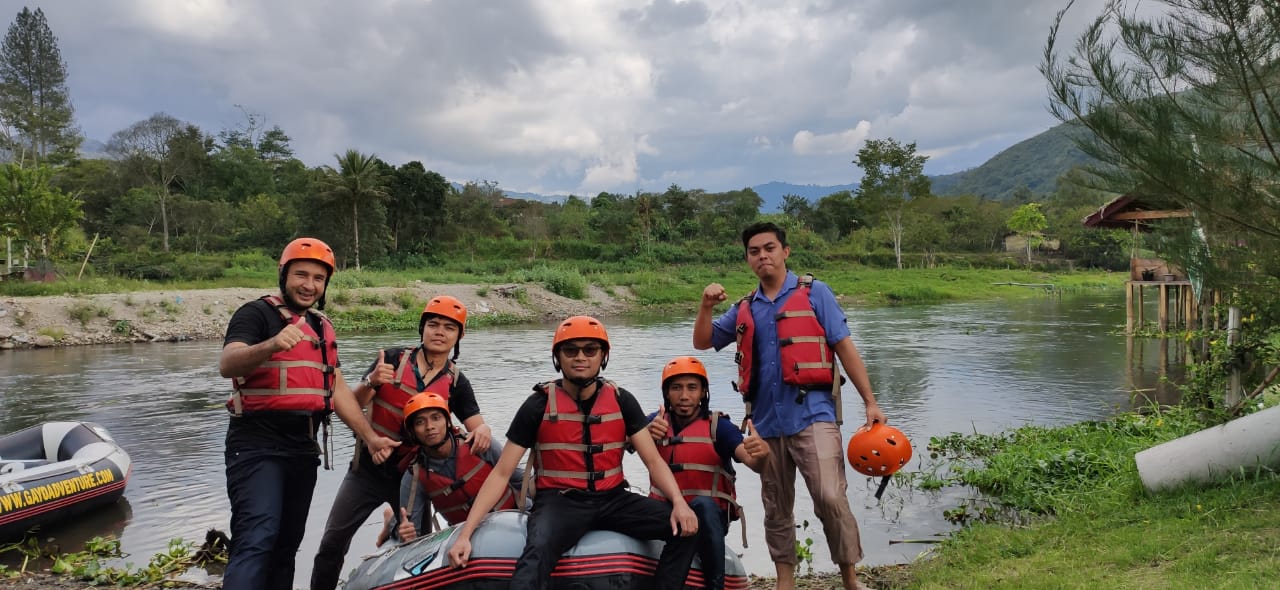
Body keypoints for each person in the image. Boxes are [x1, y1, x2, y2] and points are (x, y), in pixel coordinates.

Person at [693, 221, 888, 590]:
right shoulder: (745, 307)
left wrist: (870, 402)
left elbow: (844, 347)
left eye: (769, 248)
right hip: (765, 425)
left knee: (831, 497)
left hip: (814, 416)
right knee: (776, 507)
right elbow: (703, 341)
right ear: (748, 259)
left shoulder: (816, 293)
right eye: (754, 251)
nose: (762, 255)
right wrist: (705, 305)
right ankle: (786, 582)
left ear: (785, 252)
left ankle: (850, 578)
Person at [446, 315, 700, 590]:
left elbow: (652, 461)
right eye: (571, 350)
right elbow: (502, 473)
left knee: (685, 530)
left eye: (590, 350)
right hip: (560, 502)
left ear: (602, 356)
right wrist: (466, 533)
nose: (580, 357)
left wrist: (678, 502)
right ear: (558, 357)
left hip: (613, 498)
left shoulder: (621, 400)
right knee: (537, 552)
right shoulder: (537, 406)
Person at [218, 237, 396, 590]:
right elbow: (228, 364)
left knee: (286, 546)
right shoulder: (256, 314)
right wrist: (271, 344)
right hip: (256, 443)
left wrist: (371, 436)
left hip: (303, 447)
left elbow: (338, 390)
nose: (309, 285)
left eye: (318, 278)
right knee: (257, 537)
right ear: (284, 274)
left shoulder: (320, 326)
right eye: (302, 274)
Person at [311, 295, 490, 590]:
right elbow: (348, 406)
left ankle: (391, 524)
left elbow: (476, 427)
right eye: (433, 324)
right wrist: (371, 381)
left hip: (414, 481)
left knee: (415, 548)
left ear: (459, 335)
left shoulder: (457, 382)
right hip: (366, 471)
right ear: (422, 329)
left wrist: (483, 431)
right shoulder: (392, 359)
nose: (440, 332)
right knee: (332, 542)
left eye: (449, 327)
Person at [645, 355, 769, 590]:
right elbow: (618, 447)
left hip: (709, 518)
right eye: (676, 388)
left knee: (702, 505)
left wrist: (761, 455)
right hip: (665, 514)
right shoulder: (655, 423)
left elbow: (751, 461)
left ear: (703, 392)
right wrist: (643, 435)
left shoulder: (718, 427)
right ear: (666, 393)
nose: (684, 396)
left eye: (692, 388)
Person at [377, 391, 524, 545]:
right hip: (467, 535)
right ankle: (391, 522)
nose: (429, 427)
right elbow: (412, 532)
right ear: (413, 431)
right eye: (420, 422)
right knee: (402, 527)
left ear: (448, 422)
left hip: (510, 517)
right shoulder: (414, 476)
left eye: (436, 418)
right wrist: (406, 534)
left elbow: (519, 480)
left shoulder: (479, 444)